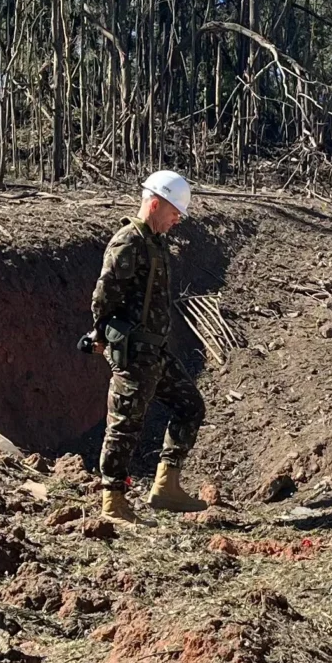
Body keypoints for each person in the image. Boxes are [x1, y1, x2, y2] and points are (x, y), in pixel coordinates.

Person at [85, 170, 206, 522]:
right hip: (134, 352)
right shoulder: (129, 241)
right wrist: (103, 334)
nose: (176, 220)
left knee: (190, 405)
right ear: (155, 204)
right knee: (125, 423)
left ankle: (166, 488)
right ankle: (113, 501)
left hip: (155, 352)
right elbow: (103, 297)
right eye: (173, 212)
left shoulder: (154, 241)